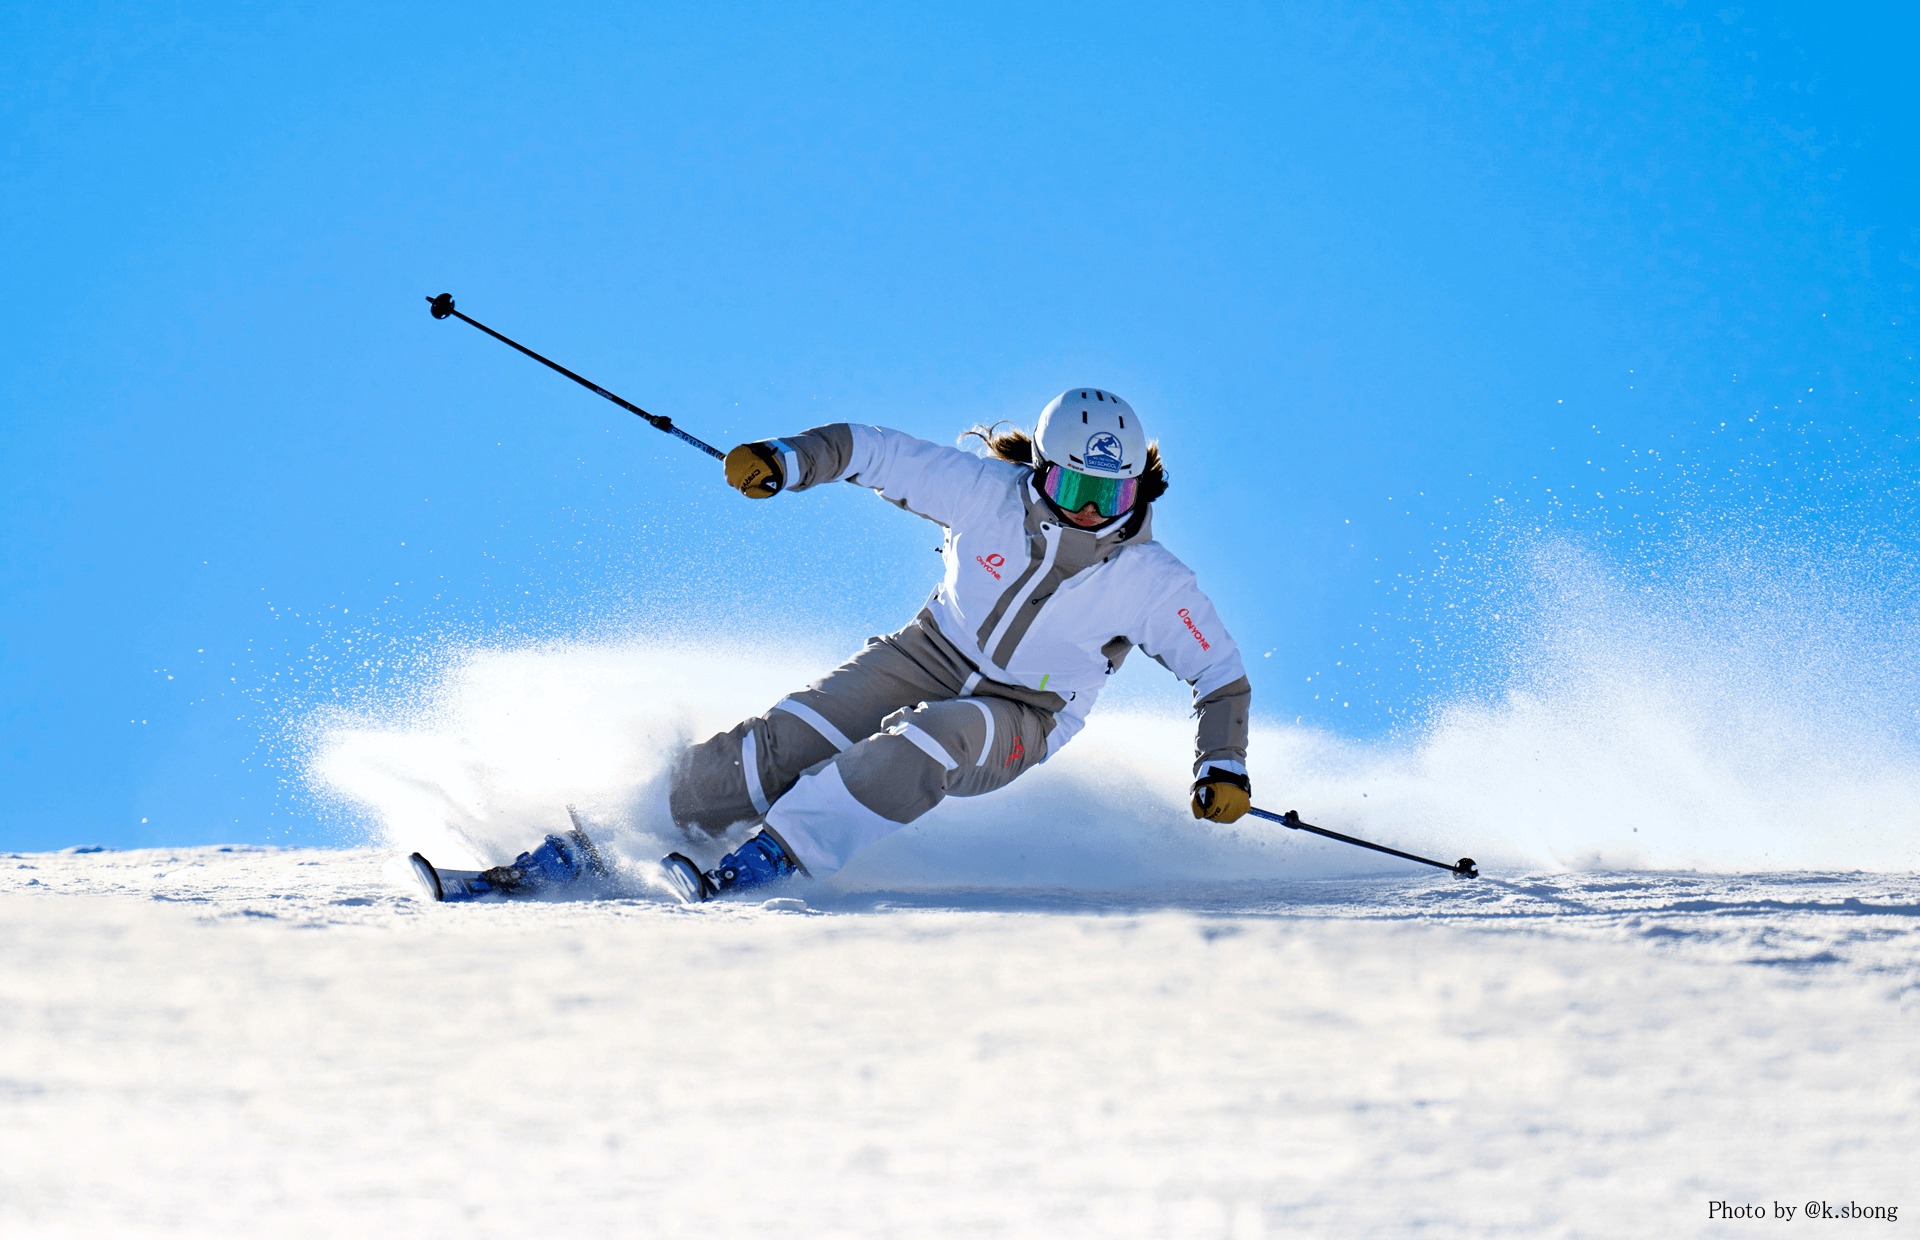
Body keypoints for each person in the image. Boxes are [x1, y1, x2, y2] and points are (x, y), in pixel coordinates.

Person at [655, 387, 1253, 902]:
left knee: (929, 741)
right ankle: (635, 826)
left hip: (1027, 710)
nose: (1093, 513)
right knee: (788, 742)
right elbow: (872, 449)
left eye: (1114, 496)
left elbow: (1220, 673)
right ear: (1041, 471)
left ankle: (773, 859)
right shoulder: (983, 490)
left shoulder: (1152, 580)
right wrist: (787, 459)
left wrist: (1221, 764)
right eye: (1074, 490)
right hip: (928, 653)